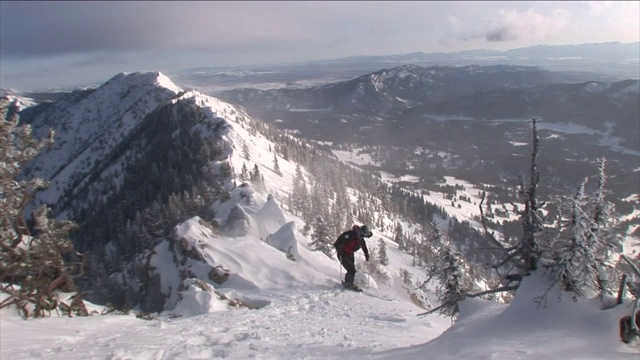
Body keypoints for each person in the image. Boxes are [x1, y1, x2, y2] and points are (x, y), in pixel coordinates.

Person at [334, 224, 373, 291]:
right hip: (343, 254)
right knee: (351, 270)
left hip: (350, 254)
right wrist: (339, 249)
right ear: (362, 231)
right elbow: (338, 241)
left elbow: (364, 247)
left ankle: (347, 282)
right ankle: (349, 284)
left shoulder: (361, 240)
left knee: (351, 269)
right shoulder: (351, 235)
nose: (365, 236)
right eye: (365, 234)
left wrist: (366, 255)